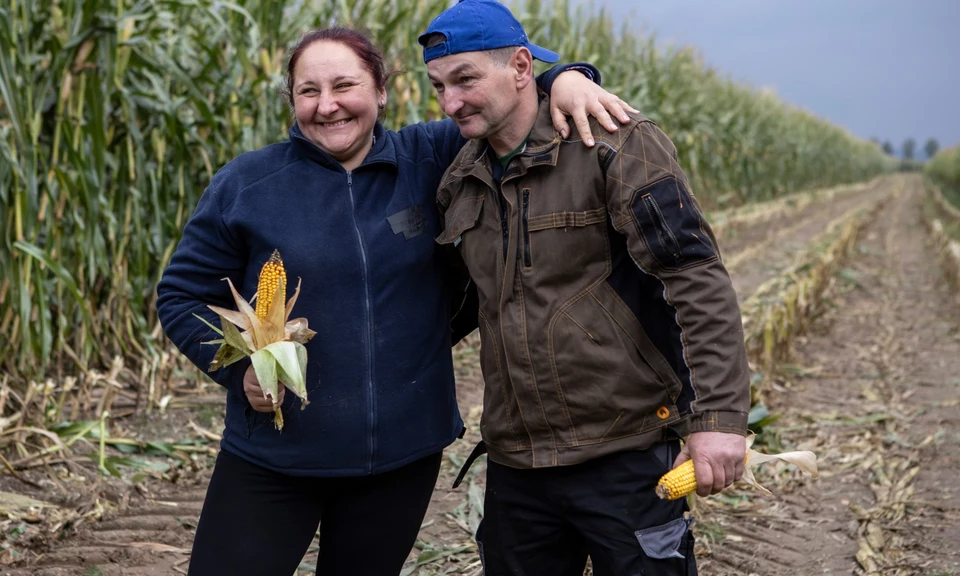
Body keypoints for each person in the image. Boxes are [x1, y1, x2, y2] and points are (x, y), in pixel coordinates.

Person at [155, 24, 637, 576]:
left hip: (400, 460)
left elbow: (507, 98)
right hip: (275, 457)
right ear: (292, 101)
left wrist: (569, 78)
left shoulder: (431, 156)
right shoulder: (248, 183)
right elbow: (181, 293)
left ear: (382, 90)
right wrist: (239, 370)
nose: (328, 106)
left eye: (345, 86)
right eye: (308, 91)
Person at [420, 1, 752, 574]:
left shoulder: (614, 144)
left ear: (522, 67)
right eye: (438, 85)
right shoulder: (461, 177)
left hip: (623, 453)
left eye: (466, 79)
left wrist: (718, 417)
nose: (450, 102)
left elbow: (694, 277)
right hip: (516, 463)